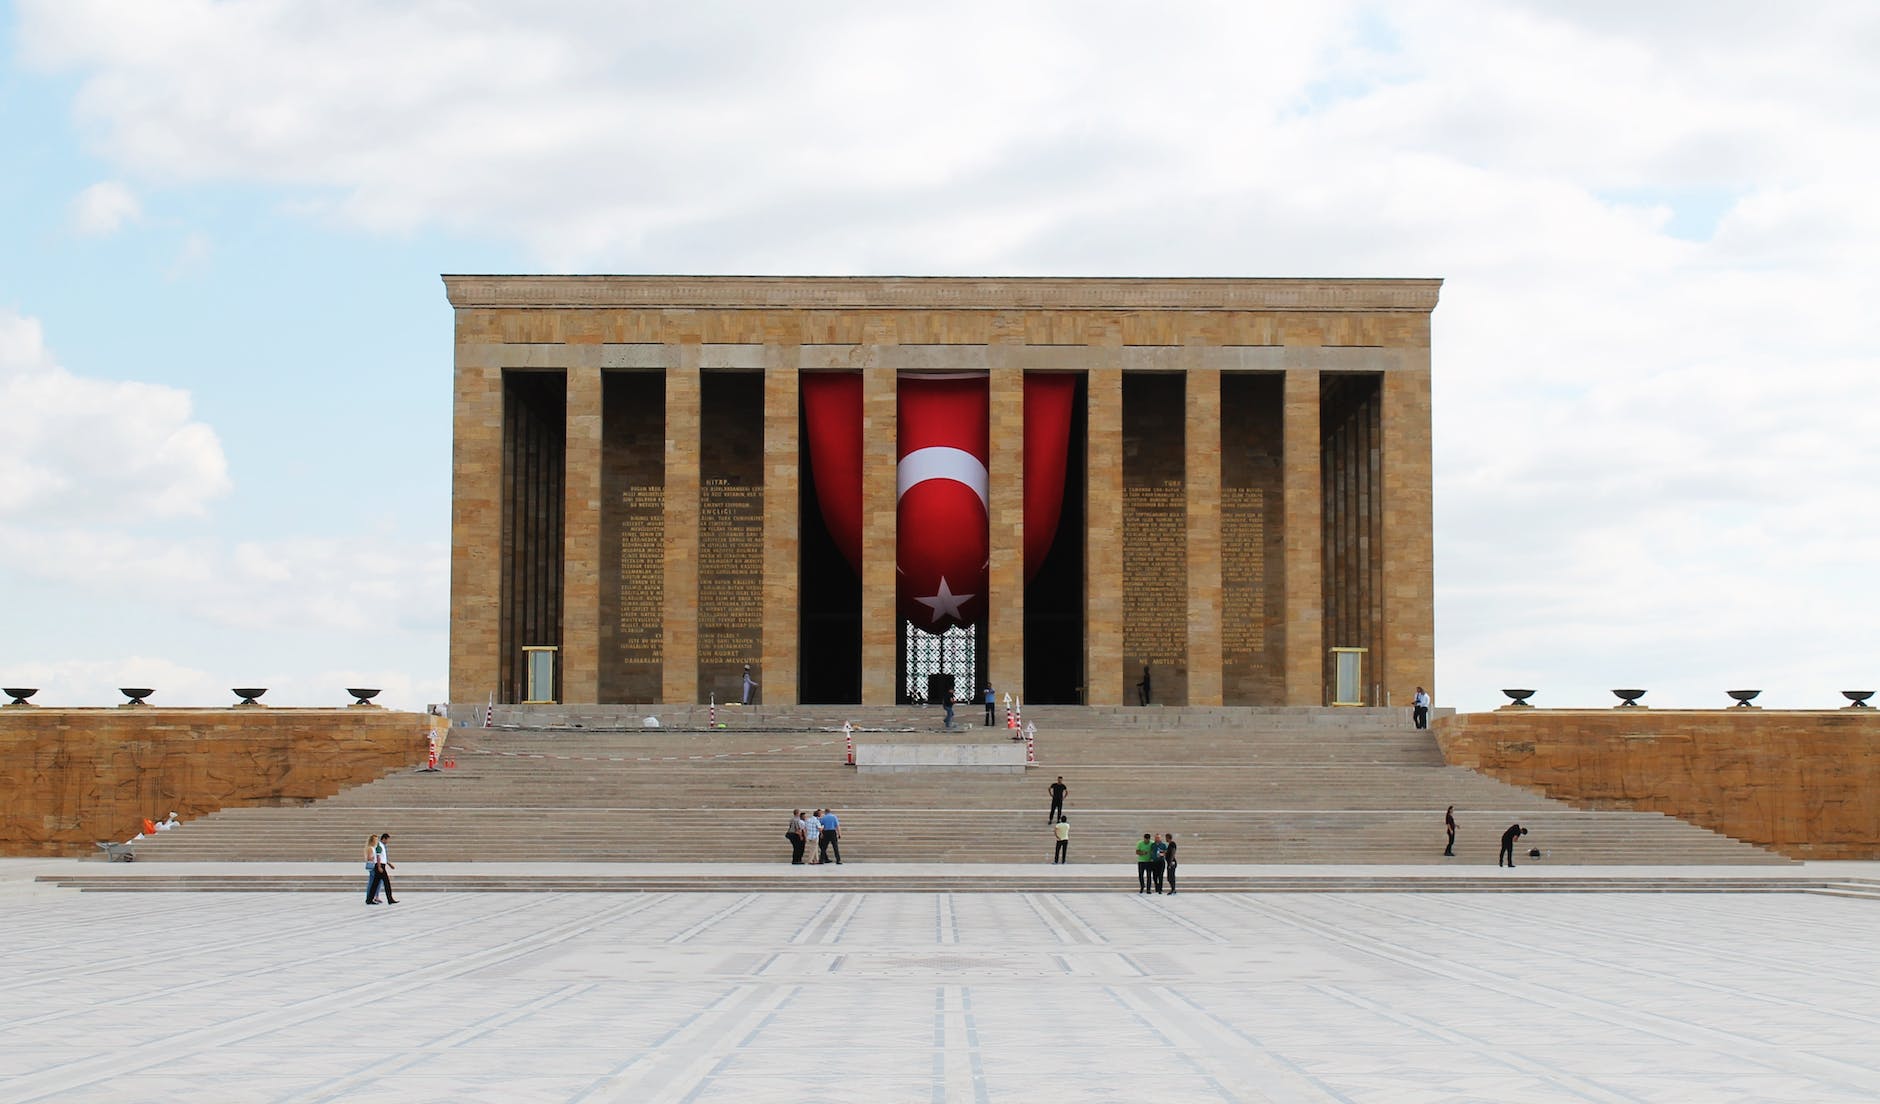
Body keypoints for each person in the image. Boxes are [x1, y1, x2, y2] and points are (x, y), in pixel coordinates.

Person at [366, 832, 397, 904]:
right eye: (387, 840)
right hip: (380, 866)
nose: (388, 841)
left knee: (375, 883)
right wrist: (379, 866)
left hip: (381, 865)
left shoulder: (382, 846)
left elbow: (383, 857)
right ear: (384, 839)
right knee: (386, 883)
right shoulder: (379, 845)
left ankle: (369, 900)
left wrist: (389, 864)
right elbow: (378, 856)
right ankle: (390, 899)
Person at [361, 833, 379, 899]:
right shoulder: (370, 848)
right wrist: (376, 857)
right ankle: (370, 897)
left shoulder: (373, 848)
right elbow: (369, 858)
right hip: (373, 866)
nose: (377, 841)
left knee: (372, 882)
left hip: (373, 866)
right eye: (376, 840)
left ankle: (371, 897)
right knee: (372, 883)